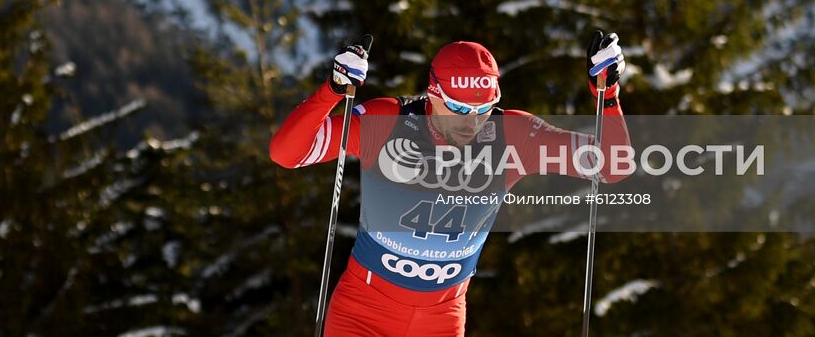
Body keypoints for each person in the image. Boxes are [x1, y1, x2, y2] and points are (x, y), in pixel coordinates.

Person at [270, 35, 632, 337]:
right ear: (433, 95)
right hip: (363, 314)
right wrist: (333, 91)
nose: (471, 123)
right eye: (459, 109)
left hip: (441, 320)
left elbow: (614, 166)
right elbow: (287, 153)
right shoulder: (388, 122)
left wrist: (609, 94)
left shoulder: (513, 137)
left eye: (484, 109)